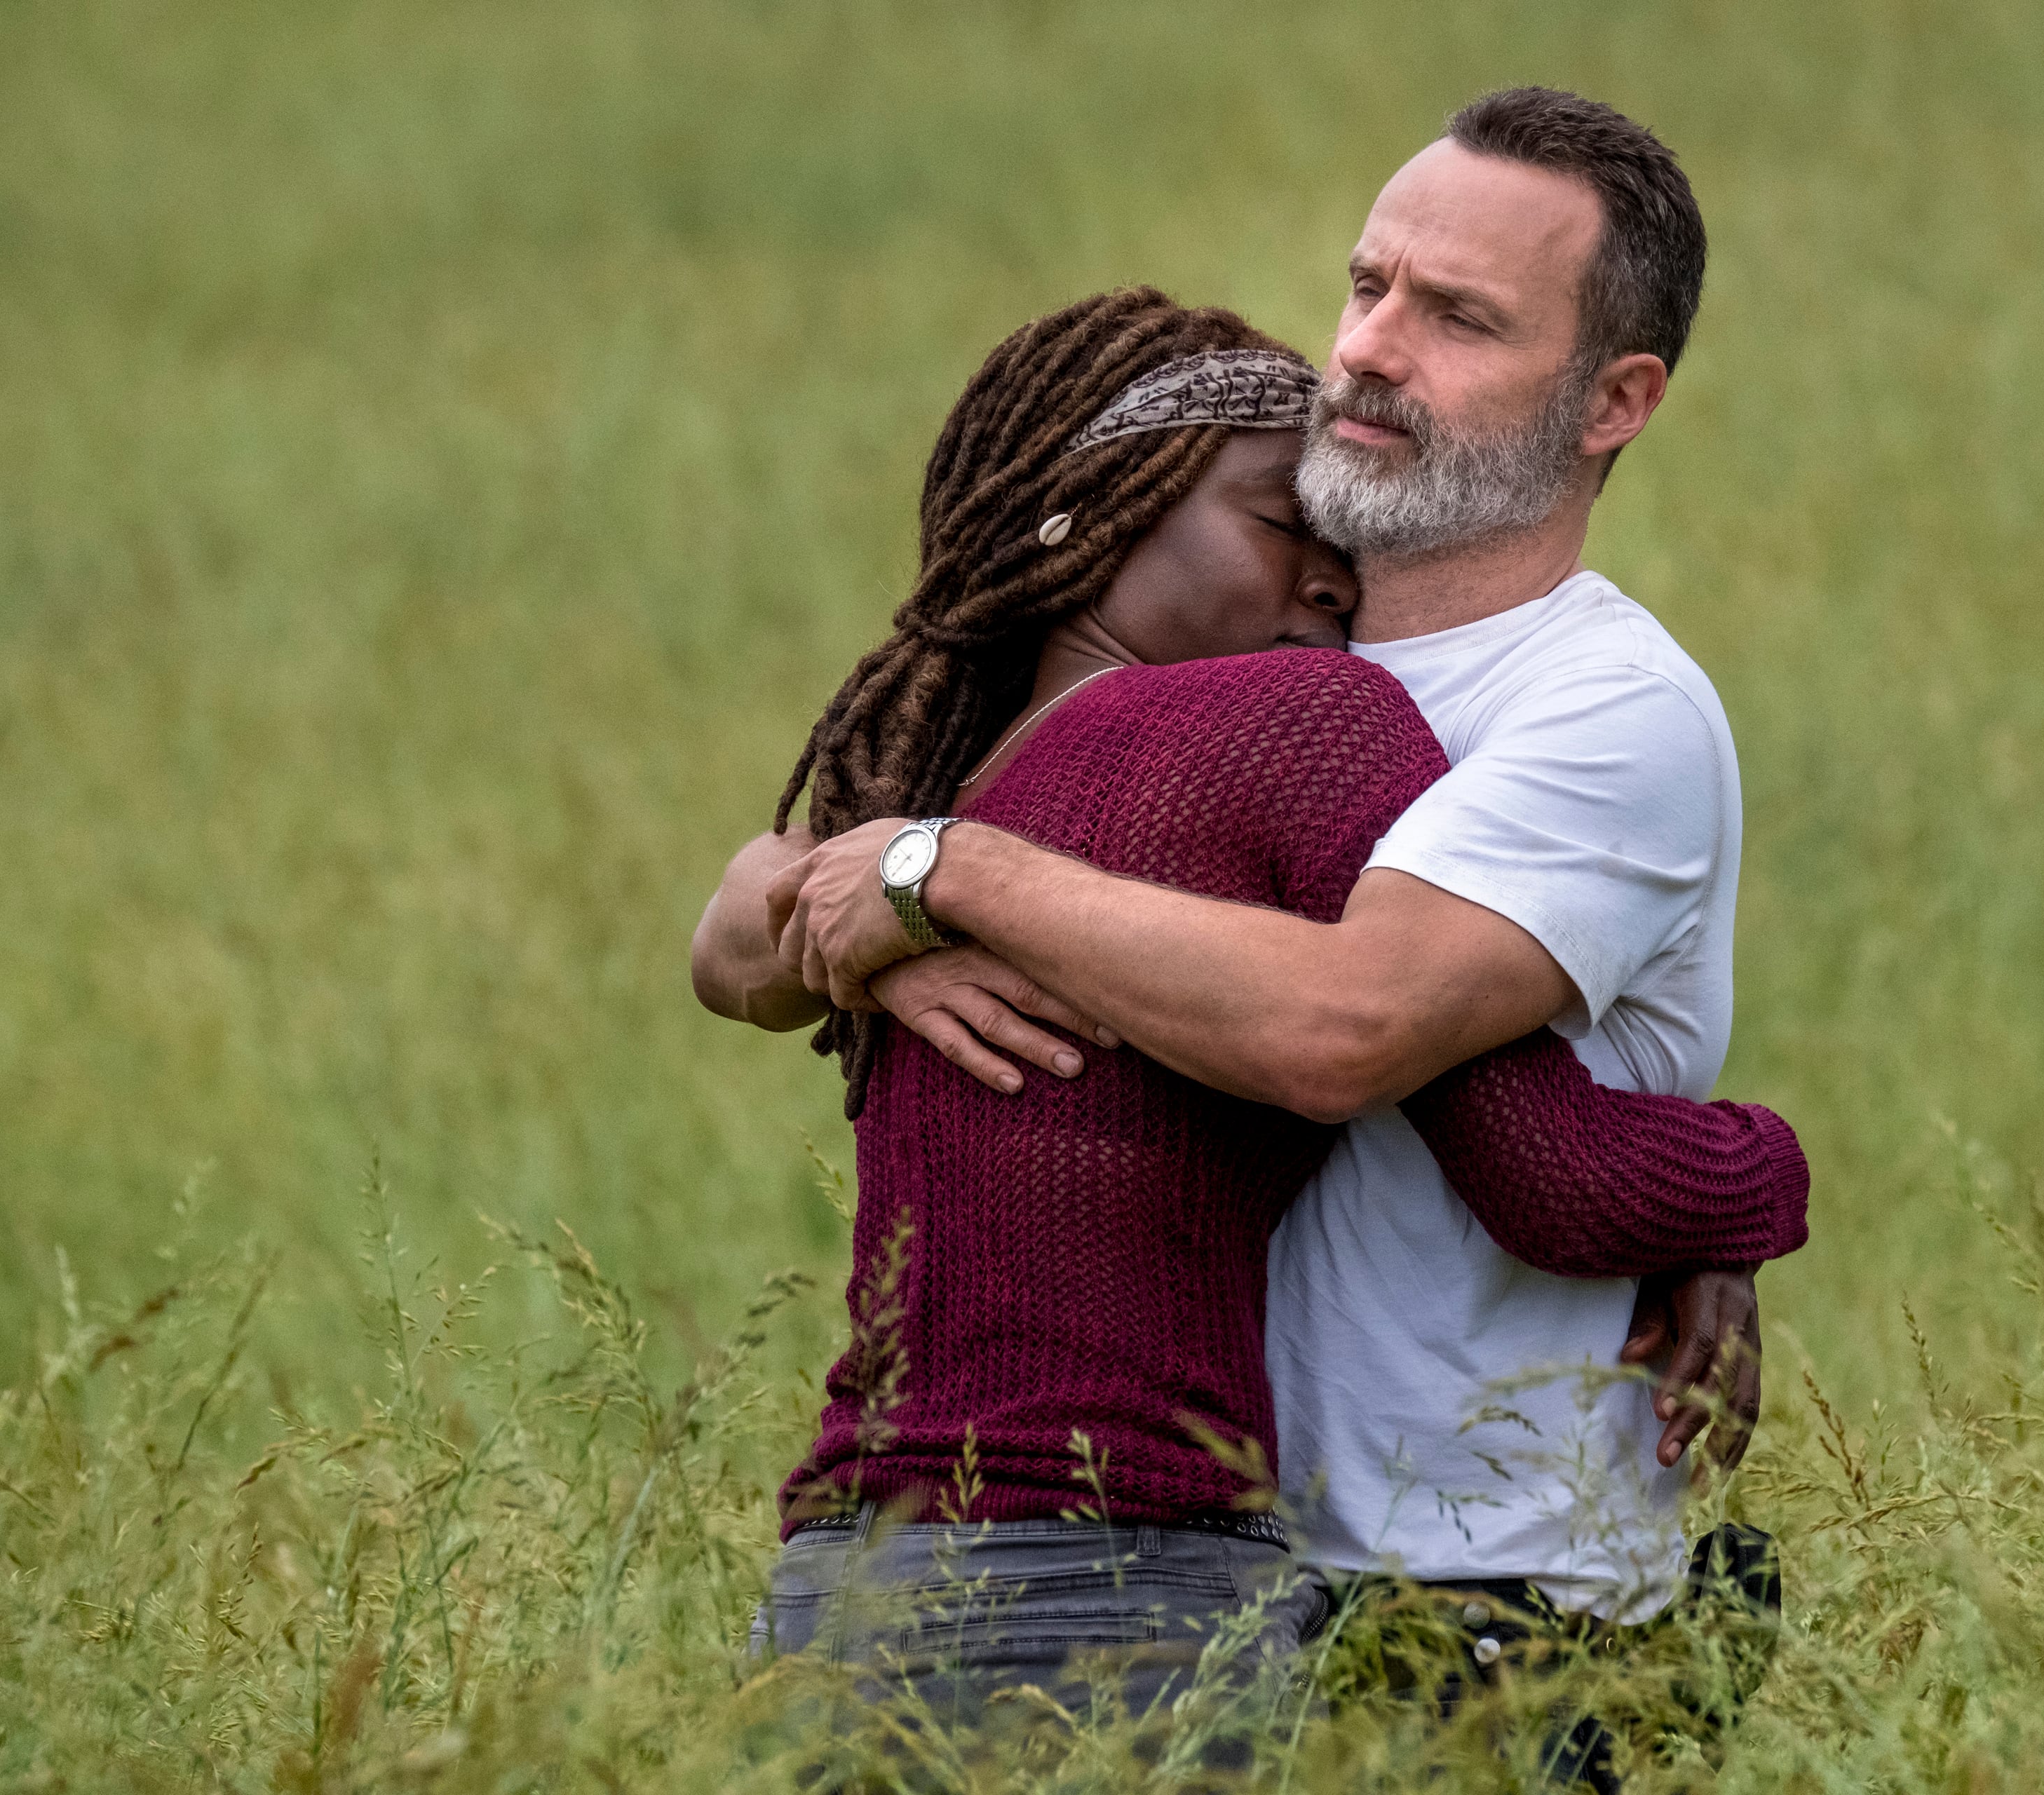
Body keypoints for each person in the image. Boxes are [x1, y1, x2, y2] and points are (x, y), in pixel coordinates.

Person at [757, 88, 1779, 1778]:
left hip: (1474, 1606)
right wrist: (861, 902)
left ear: (1617, 400)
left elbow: (1348, 1030)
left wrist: (954, 872)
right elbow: (774, 901)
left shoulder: (1607, 710)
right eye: (1368, 284)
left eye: (1458, 317)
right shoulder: (1238, 665)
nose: (1371, 348)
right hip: (1186, 1579)